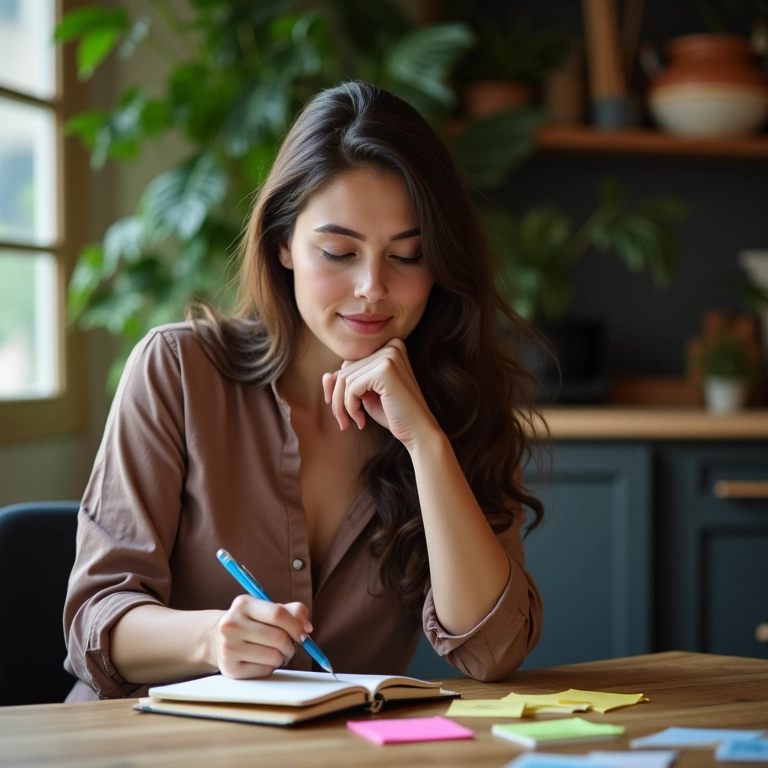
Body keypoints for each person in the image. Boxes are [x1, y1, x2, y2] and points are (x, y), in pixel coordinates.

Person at [63, 81, 544, 702]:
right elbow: (94, 622)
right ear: (284, 244)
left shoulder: (456, 404)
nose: (372, 287)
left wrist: (427, 444)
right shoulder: (178, 370)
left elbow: (492, 651)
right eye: (339, 252)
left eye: (407, 256)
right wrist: (210, 640)